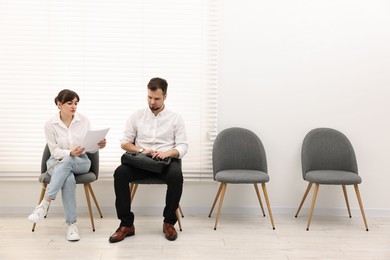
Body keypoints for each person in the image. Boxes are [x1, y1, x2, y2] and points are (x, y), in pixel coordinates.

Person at [109, 77, 188, 243]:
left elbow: (182, 146)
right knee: (120, 173)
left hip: (165, 162)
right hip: (141, 161)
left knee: (176, 176)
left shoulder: (175, 118)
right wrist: (142, 150)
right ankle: (126, 224)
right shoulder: (137, 116)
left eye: (157, 98)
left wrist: (168, 153)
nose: (152, 102)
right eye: (149, 97)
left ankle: (168, 222)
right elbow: (124, 142)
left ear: (165, 96)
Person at [28, 89, 106, 241]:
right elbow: (55, 152)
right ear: (59, 104)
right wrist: (70, 153)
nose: (74, 106)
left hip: (81, 162)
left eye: (76, 103)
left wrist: (99, 145)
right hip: (57, 162)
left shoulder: (84, 120)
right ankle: (72, 225)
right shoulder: (50, 124)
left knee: (69, 162)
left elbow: (90, 147)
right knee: (68, 177)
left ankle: (45, 203)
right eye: (69, 103)